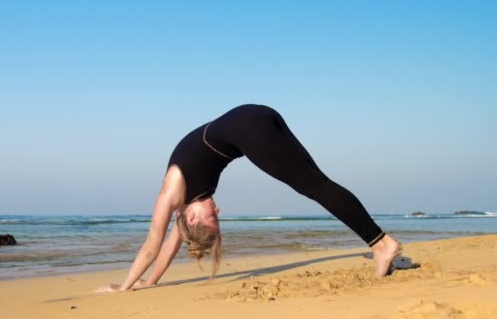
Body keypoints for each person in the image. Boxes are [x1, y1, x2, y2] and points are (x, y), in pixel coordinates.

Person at [97, 104, 401, 292]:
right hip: (257, 114)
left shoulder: (170, 194)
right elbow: (168, 249)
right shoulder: (187, 211)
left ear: (193, 217)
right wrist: (150, 282)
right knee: (316, 181)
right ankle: (380, 242)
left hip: (247, 127)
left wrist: (124, 287)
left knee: (314, 186)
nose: (218, 208)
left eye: (213, 216)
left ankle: (381, 244)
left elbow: (152, 244)